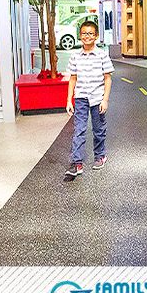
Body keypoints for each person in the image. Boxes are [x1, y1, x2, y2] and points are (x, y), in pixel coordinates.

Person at [64, 20, 114, 180]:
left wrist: (105, 100)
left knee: (99, 130)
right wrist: (68, 100)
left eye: (91, 33)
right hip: (80, 98)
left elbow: (108, 78)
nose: (87, 36)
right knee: (79, 130)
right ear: (80, 36)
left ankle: (100, 155)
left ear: (96, 36)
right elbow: (72, 79)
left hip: (97, 98)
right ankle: (76, 162)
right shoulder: (75, 56)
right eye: (84, 33)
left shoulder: (101, 55)